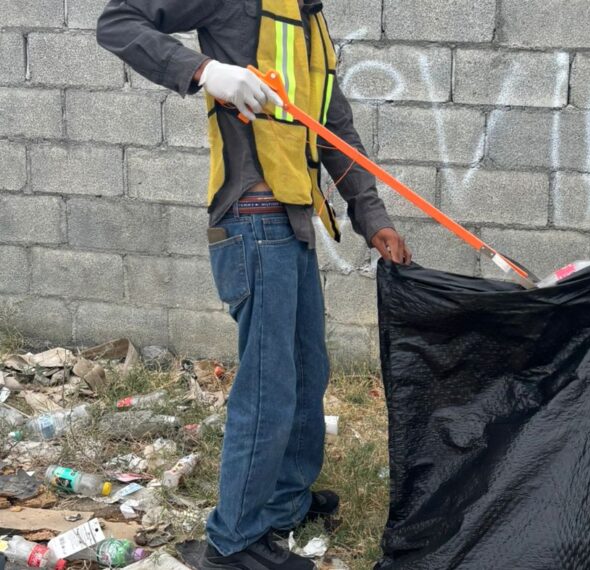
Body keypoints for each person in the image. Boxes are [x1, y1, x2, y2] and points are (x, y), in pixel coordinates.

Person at [97, 1, 411, 569]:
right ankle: (234, 541)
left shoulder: (307, 20)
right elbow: (118, 23)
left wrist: (374, 217)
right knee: (267, 387)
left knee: (306, 369)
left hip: (291, 223)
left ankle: (282, 506)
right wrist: (205, 72)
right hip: (252, 222)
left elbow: (332, 125)